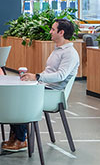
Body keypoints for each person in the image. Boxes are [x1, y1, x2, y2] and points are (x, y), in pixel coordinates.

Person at [8, 19, 80, 151]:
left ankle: (21, 139)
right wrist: (34, 78)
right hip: (45, 87)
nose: (50, 32)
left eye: (53, 29)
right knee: (13, 93)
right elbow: (49, 72)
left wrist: (37, 76)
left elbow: (61, 76)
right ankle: (17, 136)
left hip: (53, 94)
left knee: (19, 99)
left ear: (61, 32)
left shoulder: (70, 53)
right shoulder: (58, 49)